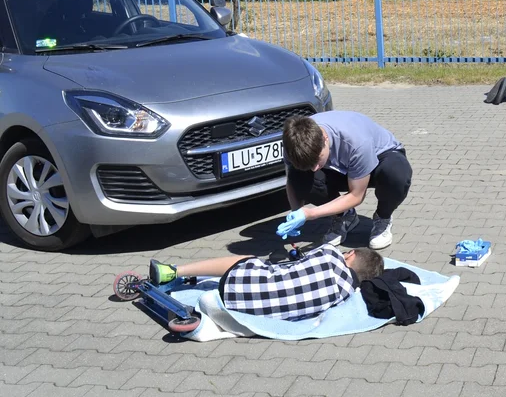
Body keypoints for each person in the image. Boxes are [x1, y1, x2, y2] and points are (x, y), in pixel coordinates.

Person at [275, 111, 411, 250]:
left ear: (325, 138)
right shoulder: (293, 144)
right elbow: (292, 181)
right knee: (299, 176)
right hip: (343, 166)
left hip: (379, 159)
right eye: (310, 164)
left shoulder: (356, 142)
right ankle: (345, 217)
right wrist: (296, 212)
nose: (314, 168)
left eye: (317, 160)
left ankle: (383, 217)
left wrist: (311, 214)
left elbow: (356, 195)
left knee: (396, 175)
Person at [145, 246, 384, 321]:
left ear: (350, 254)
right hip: (252, 313)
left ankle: (174, 271)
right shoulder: (346, 294)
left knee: (246, 261)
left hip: (243, 286)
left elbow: (301, 259)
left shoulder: (332, 255)